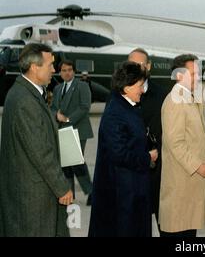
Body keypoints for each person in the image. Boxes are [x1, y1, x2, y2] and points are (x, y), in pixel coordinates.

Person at [0, 43, 73, 237]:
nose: (54, 70)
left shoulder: (25, 93)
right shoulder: (25, 101)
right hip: (32, 197)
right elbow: (40, 152)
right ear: (34, 67)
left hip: (31, 191)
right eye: (50, 65)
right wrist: (62, 187)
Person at [88, 61, 152, 237]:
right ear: (127, 87)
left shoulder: (127, 107)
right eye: (140, 86)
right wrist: (148, 158)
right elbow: (119, 154)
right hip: (122, 196)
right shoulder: (115, 113)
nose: (143, 90)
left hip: (131, 191)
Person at [159, 54, 205, 237]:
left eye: (198, 73)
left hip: (189, 186)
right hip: (181, 185)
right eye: (193, 74)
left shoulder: (187, 97)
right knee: (179, 232)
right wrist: (198, 167)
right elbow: (175, 143)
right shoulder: (174, 102)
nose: (198, 77)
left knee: (188, 231)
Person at [128, 47, 168, 233]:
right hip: (132, 171)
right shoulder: (118, 95)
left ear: (149, 66)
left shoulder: (163, 95)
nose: (134, 69)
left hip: (159, 171)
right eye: (131, 65)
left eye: (139, 65)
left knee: (164, 223)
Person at [51, 60, 94, 205]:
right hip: (62, 131)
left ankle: (91, 191)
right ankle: (70, 194)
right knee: (65, 164)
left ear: (74, 71)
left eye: (69, 70)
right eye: (64, 70)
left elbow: (84, 107)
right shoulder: (57, 89)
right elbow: (53, 108)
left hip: (78, 130)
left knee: (76, 162)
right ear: (60, 72)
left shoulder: (81, 86)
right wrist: (56, 115)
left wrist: (68, 119)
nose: (67, 72)